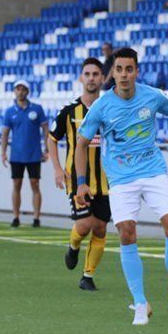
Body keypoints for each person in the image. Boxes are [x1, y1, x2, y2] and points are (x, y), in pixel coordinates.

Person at [73, 47, 168, 325]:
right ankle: (141, 303)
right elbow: (82, 144)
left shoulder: (153, 96)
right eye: (118, 69)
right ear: (114, 73)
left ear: (137, 71)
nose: (123, 75)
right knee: (127, 233)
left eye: (128, 69)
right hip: (121, 179)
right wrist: (81, 184)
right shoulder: (102, 106)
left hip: (153, 171)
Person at [47, 58, 110, 292]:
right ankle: (73, 246)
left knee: (101, 228)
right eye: (87, 74)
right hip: (77, 179)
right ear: (81, 78)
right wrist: (56, 168)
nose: (92, 78)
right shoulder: (69, 111)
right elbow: (52, 139)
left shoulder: (110, 109)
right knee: (84, 225)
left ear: (102, 78)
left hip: (106, 181)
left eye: (96, 74)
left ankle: (88, 276)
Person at [1, 80, 49, 228]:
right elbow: (5, 133)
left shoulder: (37, 109)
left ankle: (36, 217)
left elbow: (46, 129)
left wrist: (47, 148)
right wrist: (3, 152)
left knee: (35, 184)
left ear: (28, 91)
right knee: (17, 184)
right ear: (14, 92)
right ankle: (16, 216)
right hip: (16, 154)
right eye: (18, 89)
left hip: (34, 154)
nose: (20, 92)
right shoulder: (10, 111)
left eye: (23, 89)